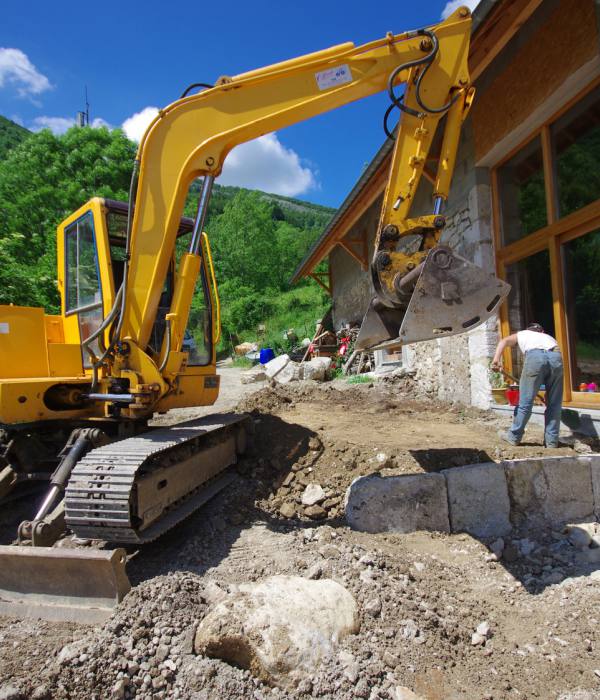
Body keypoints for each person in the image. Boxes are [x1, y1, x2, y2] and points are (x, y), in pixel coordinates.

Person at [491, 323, 563, 448]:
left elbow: (504, 341)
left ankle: (513, 437)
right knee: (554, 404)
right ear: (542, 331)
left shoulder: (523, 334)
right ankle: (551, 442)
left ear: (527, 330)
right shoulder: (548, 337)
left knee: (525, 402)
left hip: (535, 357)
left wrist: (496, 359)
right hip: (556, 356)